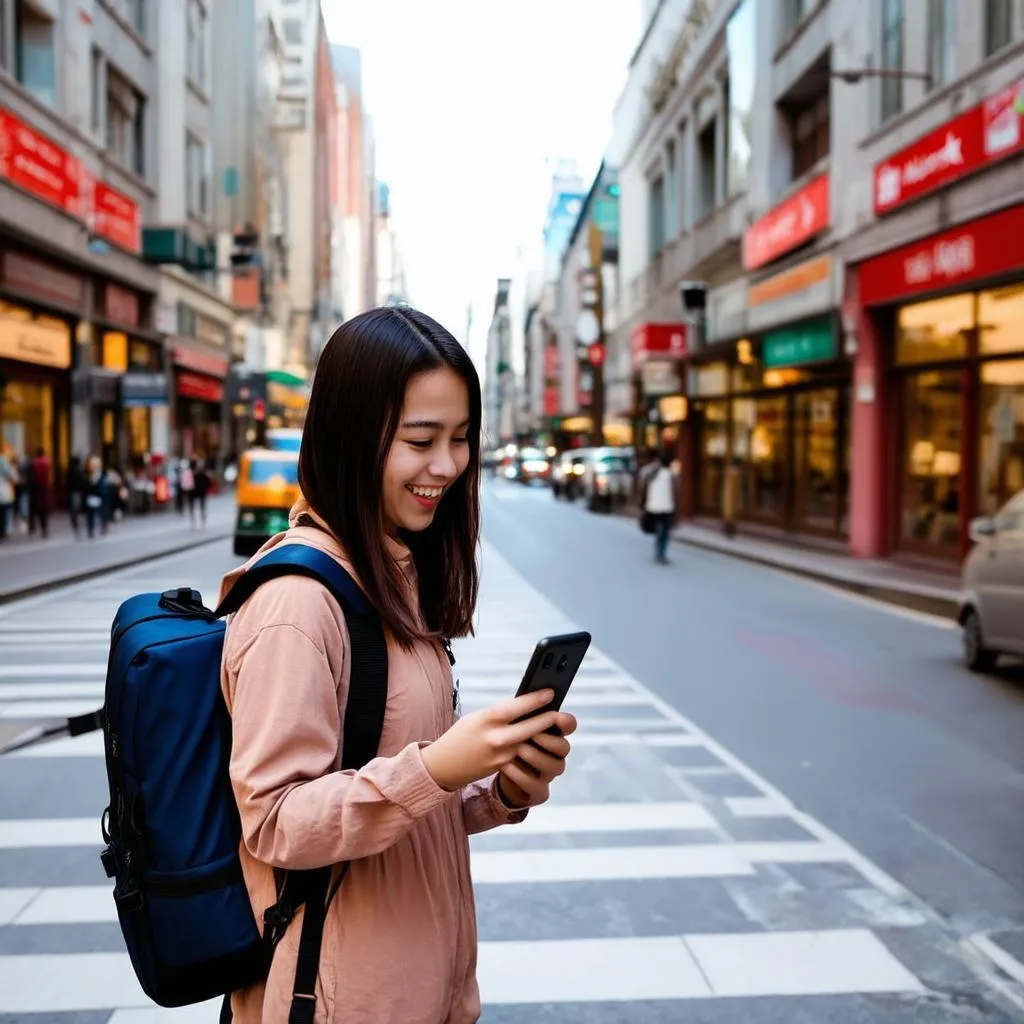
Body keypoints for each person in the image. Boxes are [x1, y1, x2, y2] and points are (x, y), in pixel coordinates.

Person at [218, 306, 578, 1024]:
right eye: (420, 440)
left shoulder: (391, 580)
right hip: (333, 1002)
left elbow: (392, 810)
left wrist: (496, 791)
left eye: (461, 438)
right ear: (354, 436)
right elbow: (277, 822)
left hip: (419, 993)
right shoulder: (299, 605)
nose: (446, 466)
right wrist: (438, 766)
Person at [644, 450, 677, 564]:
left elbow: (644, 480)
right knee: (665, 532)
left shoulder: (652, 474)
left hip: (654, 507)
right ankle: (661, 553)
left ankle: (658, 551)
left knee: (659, 530)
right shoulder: (670, 474)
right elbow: (674, 492)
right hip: (667, 507)